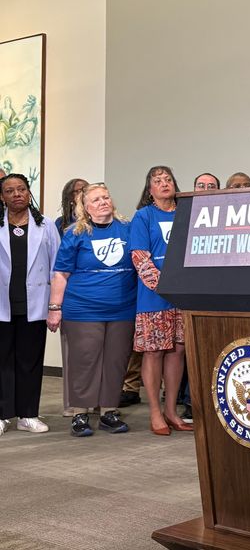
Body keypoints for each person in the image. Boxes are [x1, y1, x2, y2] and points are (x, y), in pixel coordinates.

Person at [47, 183, 136, 436]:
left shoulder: (128, 229)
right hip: (83, 309)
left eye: (106, 197)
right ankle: (80, 413)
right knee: (85, 361)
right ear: (85, 207)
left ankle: (109, 412)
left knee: (115, 362)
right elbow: (61, 274)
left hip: (122, 309)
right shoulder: (74, 233)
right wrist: (55, 308)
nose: (102, 202)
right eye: (95, 200)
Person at [130, 166, 193, 436]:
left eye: (168, 179)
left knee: (178, 350)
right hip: (154, 296)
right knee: (154, 351)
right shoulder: (143, 216)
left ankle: (171, 410)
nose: (164, 183)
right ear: (150, 189)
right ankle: (155, 411)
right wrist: (163, 286)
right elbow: (139, 256)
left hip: (184, 295)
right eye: (158, 181)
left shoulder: (186, 213)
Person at [0, 174, 60, 436]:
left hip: (34, 305)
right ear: (2, 197)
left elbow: (58, 267)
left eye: (21, 189)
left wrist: (55, 306)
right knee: (2, 361)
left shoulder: (45, 225)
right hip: (2, 305)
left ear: (29, 192)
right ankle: (2, 415)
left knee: (30, 361)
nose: (16, 194)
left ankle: (28, 414)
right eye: (10, 191)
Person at [53, 177, 88, 417]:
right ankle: (72, 403)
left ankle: (97, 399)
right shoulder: (59, 225)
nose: (82, 194)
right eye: (77, 191)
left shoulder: (103, 222)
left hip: (96, 295)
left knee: (95, 353)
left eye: (86, 190)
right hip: (70, 295)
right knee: (73, 353)